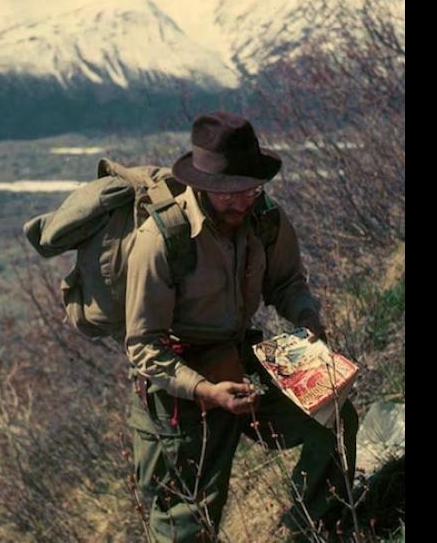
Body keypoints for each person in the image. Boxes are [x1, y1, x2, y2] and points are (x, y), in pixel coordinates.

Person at [125, 112, 358, 542]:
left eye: (250, 188)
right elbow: (143, 347)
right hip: (180, 386)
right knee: (185, 514)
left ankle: (311, 529)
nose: (242, 200)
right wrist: (206, 392)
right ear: (202, 186)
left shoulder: (265, 219)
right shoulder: (161, 239)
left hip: (241, 356)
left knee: (333, 419)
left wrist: (307, 319)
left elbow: (287, 282)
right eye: (229, 193)